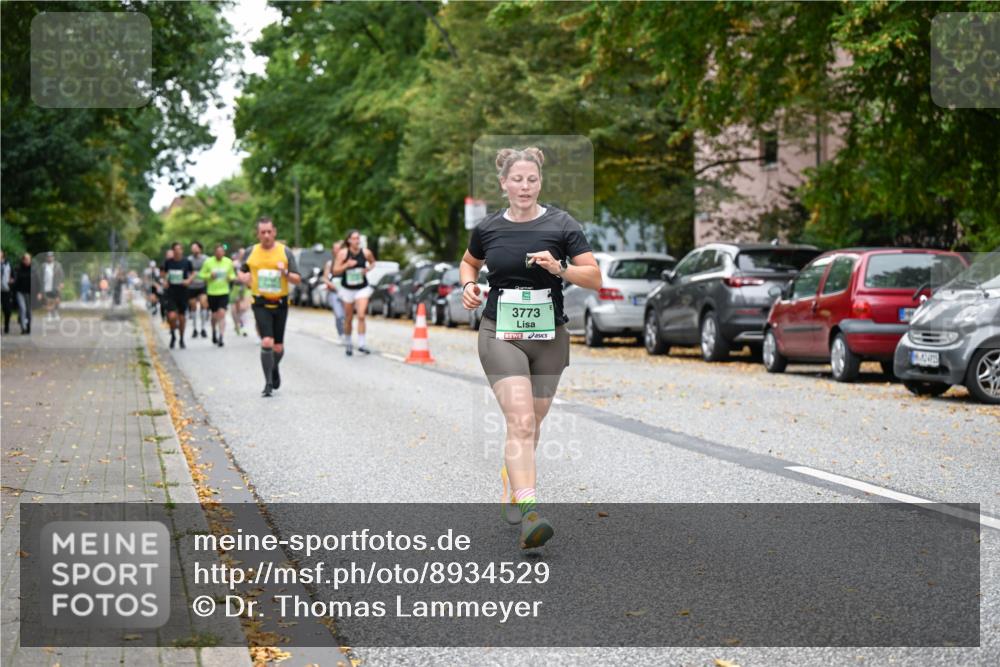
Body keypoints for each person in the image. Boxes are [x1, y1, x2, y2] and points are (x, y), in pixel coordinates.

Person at [459, 146, 601, 549]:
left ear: (540, 182)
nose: (525, 186)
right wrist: (469, 285)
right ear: (503, 183)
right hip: (500, 333)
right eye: (517, 179)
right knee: (520, 421)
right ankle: (531, 514)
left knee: (531, 425)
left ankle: (512, 479)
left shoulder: (562, 224)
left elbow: (593, 277)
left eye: (532, 179)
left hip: (550, 338)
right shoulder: (488, 228)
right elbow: (468, 262)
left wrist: (561, 268)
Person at [238, 217, 301, 397]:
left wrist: (285, 273)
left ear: (274, 232)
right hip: (260, 302)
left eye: (269, 232)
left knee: (278, 347)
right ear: (258, 234)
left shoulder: (285, 252)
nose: (266, 235)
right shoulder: (251, 251)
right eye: (262, 232)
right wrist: (243, 277)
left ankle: (273, 368)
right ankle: (267, 383)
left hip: (280, 303)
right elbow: (242, 271)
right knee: (267, 341)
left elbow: (297, 279)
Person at [332, 230, 376, 356]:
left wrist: (367, 269)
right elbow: (335, 271)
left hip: (362, 288)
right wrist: (346, 265)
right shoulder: (343, 253)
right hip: (347, 289)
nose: (357, 241)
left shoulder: (366, 252)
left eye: (358, 238)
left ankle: (362, 344)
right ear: (349, 240)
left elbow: (373, 262)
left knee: (361, 315)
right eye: (354, 238)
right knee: (348, 318)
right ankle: (349, 342)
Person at [199, 243, 237, 347]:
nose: (220, 253)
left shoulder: (228, 262)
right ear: (215, 252)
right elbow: (201, 275)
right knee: (214, 315)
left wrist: (231, 277)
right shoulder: (208, 262)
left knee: (222, 314)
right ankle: (214, 331)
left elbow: (233, 274)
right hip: (212, 292)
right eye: (218, 252)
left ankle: (221, 336)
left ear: (223, 253)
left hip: (224, 292)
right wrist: (209, 275)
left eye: (221, 252)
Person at [162, 242, 194, 349]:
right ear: (173, 251)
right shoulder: (168, 262)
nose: (177, 251)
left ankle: (181, 338)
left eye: (179, 249)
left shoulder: (186, 262)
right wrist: (165, 281)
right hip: (171, 292)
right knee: (171, 316)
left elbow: (193, 273)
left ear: (182, 250)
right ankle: (173, 334)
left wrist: (188, 280)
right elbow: (164, 273)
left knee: (181, 318)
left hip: (183, 292)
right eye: (175, 249)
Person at [321, 240, 346, 340]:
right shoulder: (330, 263)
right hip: (334, 292)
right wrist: (330, 284)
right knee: (339, 315)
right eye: (335, 249)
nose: (337, 251)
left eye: (339, 248)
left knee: (346, 315)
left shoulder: (346, 263)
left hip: (345, 292)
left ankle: (347, 333)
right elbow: (324, 278)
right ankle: (341, 334)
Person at [187, 241, 209, 339]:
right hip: (191, 287)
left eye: (196, 247)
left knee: (203, 304)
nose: (194, 249)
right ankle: (195, 328)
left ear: (200, 249)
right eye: (193, 248)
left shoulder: (206, 259)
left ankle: (203, 328)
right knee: (193, 307)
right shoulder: (188, 260)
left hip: (202, 286)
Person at [35, 251, 64, 321]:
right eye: (48, 257)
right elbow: (40, 277)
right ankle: (49, 315)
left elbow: (62, 275)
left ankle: (56, 314)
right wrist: (40, 289)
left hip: (55, 285)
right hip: (46, 286)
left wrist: (61, 283)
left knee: (56, 300)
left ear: (53, 257)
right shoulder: (43, 266)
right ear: (46, 258)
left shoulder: (58, 265)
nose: (50, 258)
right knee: (48, 301)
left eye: (51, 256)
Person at [229, 248, 250, 337]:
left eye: (244, 253)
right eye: (241, 253)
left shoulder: (248, 264)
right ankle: (236, 324)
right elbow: (229, 274)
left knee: (244, 307)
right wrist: (234, 278)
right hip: (235, 287)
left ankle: (243, 325)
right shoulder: (234, 264)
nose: (243, 254)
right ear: (238, 254)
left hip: (245, 287)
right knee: (234, 309)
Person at [13, 253, 32, 334]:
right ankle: (23, 327)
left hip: (29, 293)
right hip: (19, 292)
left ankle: (28, 326)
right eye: (26, 259)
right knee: (22, 309)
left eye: (29, 259)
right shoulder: (18, 269)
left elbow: (37, 280)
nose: (28, 261)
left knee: (28, 311)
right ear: (23, 260)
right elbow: (15, 280)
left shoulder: (33, 269)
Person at [1, 251, 13, 334]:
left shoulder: (8, 264)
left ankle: (6, 325)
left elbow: (13, 275)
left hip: (6, 290)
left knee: (7, 310)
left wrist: (12, 280)